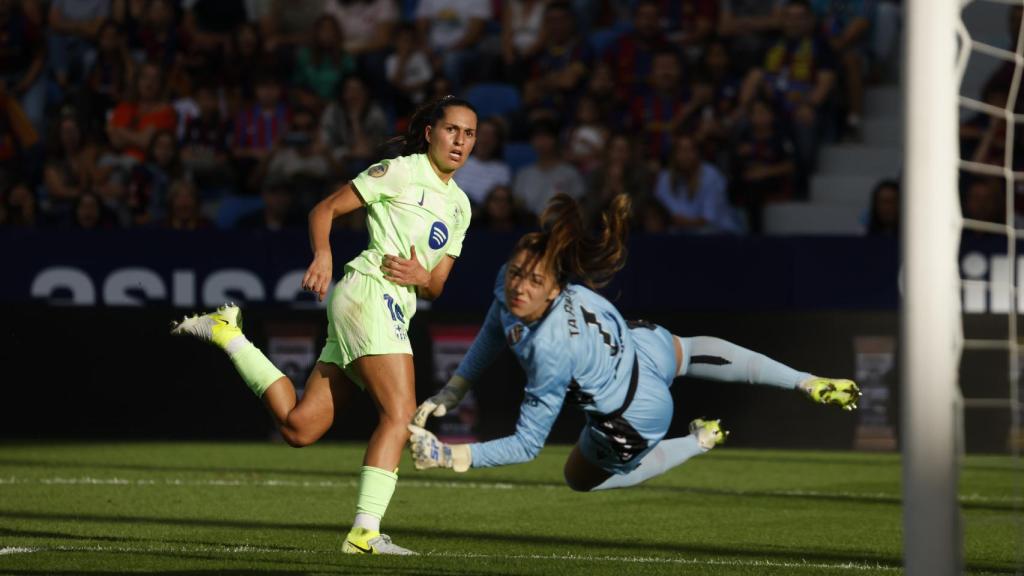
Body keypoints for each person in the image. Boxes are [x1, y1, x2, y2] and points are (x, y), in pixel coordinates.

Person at [171, 96, 478, 555]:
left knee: (300, 428)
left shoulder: (461, 208)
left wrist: (421, 278)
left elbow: (435, 285)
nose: (460, 140)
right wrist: (323, 254)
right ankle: (364, 534)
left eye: (470, 134)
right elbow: (324, 210)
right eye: (452, 129)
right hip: (368, 293)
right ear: (431, 133)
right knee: (399, 414)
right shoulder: (399, 170)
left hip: (393, 307)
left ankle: (228, 334)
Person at [406, 193, 859, 492]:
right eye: (517, 273)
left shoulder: (551, 349)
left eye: (533, 280)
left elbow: (527, 445)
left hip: (634, 413)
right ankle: (802, 380)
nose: (519, 286)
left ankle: (696, 442)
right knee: (690, 349)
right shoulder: (517, 283)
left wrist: (451, 455)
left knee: (577, 478)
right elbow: (495, 323)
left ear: (554, 289)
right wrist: (458, 386)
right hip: (642, 343)